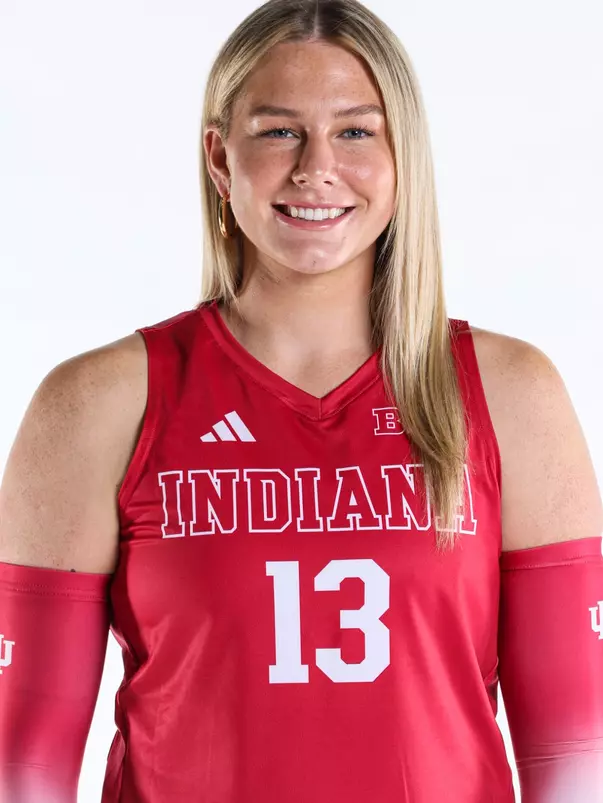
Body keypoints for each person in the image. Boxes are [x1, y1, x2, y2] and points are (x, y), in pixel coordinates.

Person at [1, 0, 602, 801]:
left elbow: (575, 751)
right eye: (278, 130)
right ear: (219, 158)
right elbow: (23, 761)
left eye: (355, 130)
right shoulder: (98, 403)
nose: (316, 165)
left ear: (402, 157)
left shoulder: (511, 396)